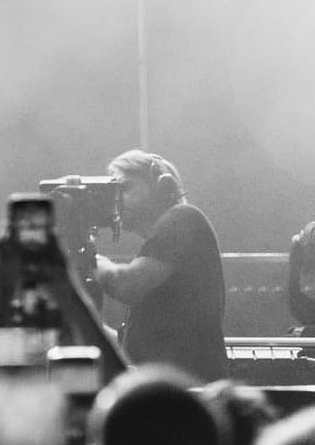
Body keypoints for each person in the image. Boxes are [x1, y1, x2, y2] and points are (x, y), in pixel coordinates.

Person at [93, 150, 226, 380]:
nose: (117, 200)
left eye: (125, 188)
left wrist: (86, 258)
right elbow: (133, 349)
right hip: (171, 386)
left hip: (186, 390)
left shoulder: (183, 219)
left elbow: (126, 285)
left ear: (161, 187)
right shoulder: (164, 240)